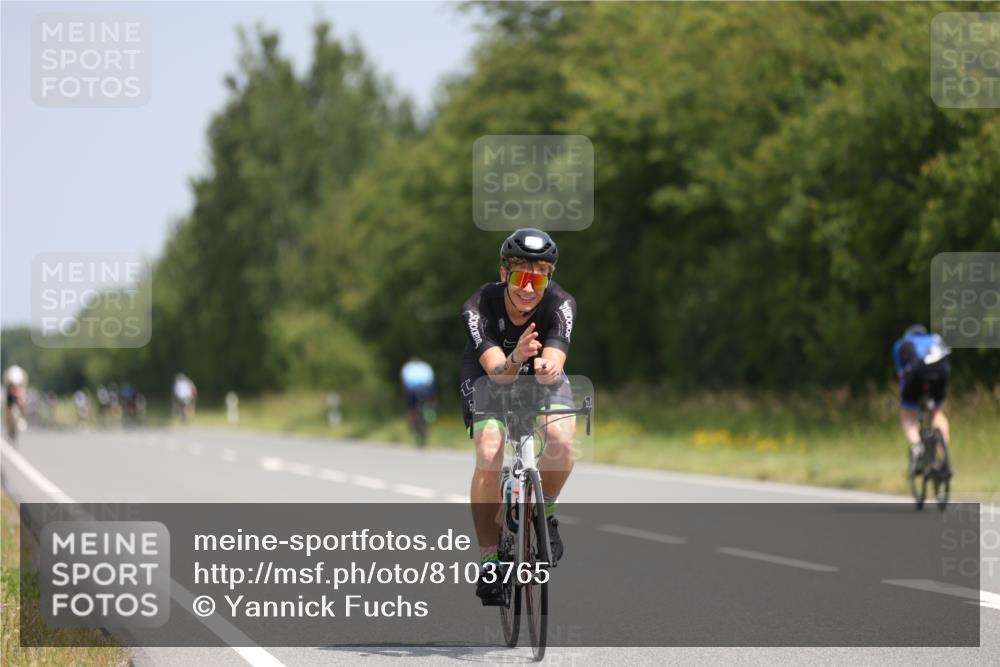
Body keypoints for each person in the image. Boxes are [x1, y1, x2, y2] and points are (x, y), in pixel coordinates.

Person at [460, 228, 577, 605]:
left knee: (561, 443)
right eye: (520, 277)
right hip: (490, 376)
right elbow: (497, 373)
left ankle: (548, 512)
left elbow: (557, 357)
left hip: (536, 376)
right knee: (491, 452)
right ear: (503, 274)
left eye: (539, 278)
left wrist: (547, 367)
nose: (529, 288)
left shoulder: (560, 304)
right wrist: (518, 356)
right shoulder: (478, 306)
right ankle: (490, 560)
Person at [892, 324, 952, 475]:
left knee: (909, 417)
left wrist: (905, 399)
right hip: (941, 372)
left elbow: (902, 374)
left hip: (917, 372)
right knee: (938, 413)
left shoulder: (902, 344)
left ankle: (918, 446)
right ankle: (944, 455)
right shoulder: (935, 339)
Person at [400, 357, 435, 447]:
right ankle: (430, 416)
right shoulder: (425, 366)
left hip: (413, 391)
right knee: (429, 404)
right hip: (426, 389)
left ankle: (412, 423)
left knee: (412, 408)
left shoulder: (408, 367)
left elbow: (404, 380)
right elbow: (431, 379)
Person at [2, 365, 29, 442]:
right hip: (10, 397)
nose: (14, 389)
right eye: (13, 387)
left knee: (22, 403)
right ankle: (10, 428)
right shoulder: (8, 384)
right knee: (8, 411)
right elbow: (7, 403)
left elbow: (23, 401)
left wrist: (22, 410)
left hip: (19, 395)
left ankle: (21, 419)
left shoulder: (21, 384)